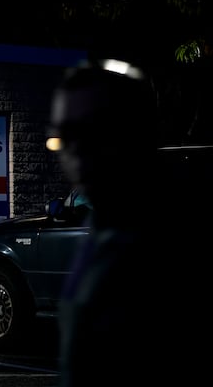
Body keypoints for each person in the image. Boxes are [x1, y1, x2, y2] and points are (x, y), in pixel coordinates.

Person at [48, 59, 191, 386]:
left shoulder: (168, 236)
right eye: (65, 135)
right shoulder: (103, 223)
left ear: (136, 131)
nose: (74, 150)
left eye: (94, 130)